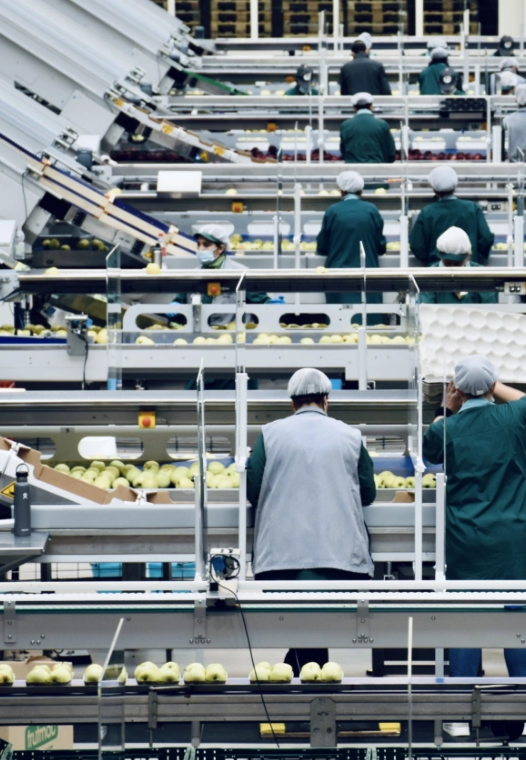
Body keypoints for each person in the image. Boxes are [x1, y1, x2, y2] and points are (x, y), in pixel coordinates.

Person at [423, 355, 526, 680]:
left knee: (467, 619)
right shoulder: (514, 417)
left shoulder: (448, 428)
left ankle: (463, 709)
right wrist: (496, 385)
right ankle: (524, 707)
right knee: (520, 620)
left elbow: (429, 450)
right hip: (515, 536)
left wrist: (446, 408)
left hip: (468, 536)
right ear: (493, 385)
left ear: (457, 389)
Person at [248, 368, 377, 674]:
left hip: (279, 563)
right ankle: (308, 692)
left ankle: (301, 691)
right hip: (341, 562)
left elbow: (254, 491)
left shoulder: (269, 435)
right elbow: (368, 493)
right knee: (313, 626)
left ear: (292, 403)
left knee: (304, 626)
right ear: (325, 400)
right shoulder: (351, 436)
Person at [317, 170, 386, 322]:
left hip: (338, 274)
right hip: (367, 273)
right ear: (361, 190)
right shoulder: (371, 210)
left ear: (341, 190)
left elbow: (322, 246)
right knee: (370, 322)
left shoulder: (332, 211)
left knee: (340, 321)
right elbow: (381, 246)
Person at [174, 224, 270, 326]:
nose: (200, 249)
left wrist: (272, 305)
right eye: (198, 244)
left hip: (233, 337)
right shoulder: (192, 276)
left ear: (220, 248)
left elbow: (261, 302)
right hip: (200, 337)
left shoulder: (241, 273)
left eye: (206, 245)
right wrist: (175, 307)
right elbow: (180, 304)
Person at [410, 166, 494, 266]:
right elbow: (486, 239)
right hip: (468, 269)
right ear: (454, 187)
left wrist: (432, 258)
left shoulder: (427, 212)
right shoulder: (472, 208)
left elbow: (417, 245)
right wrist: (474, 255)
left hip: (436, 271)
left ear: (434, 189)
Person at [418, 227, 496, 305]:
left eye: (457, 263)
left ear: (468, 256)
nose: (452, 267)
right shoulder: (430, 276)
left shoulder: (481, 275)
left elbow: (489, 307)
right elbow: (426, 310)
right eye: (447, 263)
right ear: (440, 256)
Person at [340, 92, 396, 164]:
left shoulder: (345, 125)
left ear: (354, 108)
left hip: (353, 169)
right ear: (371, 106)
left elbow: (343, 150)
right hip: (377, 169)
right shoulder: (382, 124)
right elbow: (391, 153)